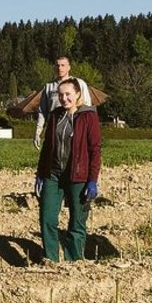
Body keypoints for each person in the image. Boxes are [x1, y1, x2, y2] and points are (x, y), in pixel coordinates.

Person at [34, 77, 102, 262]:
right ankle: (50, 259)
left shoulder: (88, 116)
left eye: (68, 94)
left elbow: (95, 150)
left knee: (77, 221)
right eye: (61, 95)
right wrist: (40, 173)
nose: (64, 98)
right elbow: (47, 146)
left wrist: (92, 180)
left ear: (78, 94)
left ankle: (74, 261)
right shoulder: (55, 115)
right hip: (53, 175)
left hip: (78, 176)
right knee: (47, 217)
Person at [34, 55, 93, 149]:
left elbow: (87, 107)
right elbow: (42, 111)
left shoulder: (79, 84)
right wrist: (38, 132)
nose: (60, 68)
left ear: (69, 67)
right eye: (57, 65)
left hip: (74, 128)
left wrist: (88, 130)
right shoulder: (49, 87)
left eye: (63, 65)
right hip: (54, 128)